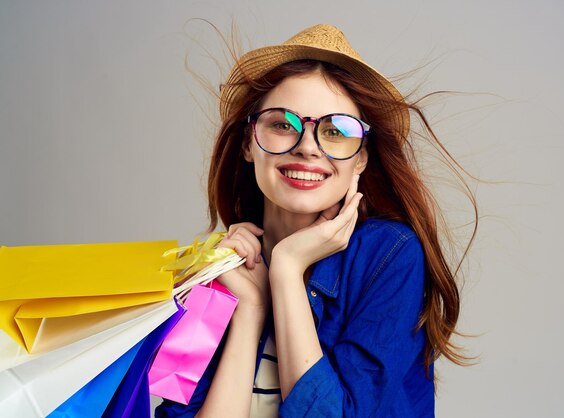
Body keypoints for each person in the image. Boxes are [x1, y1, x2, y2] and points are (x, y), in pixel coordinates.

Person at [156, 23, 472, 418]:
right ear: (249, 143)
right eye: (282, 124)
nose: (307, 147)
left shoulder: (391, 254)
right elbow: (171, 404)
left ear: (361, 157)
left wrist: (287, 270)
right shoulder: (217, 267)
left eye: (336, 130)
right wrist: (250, 310)